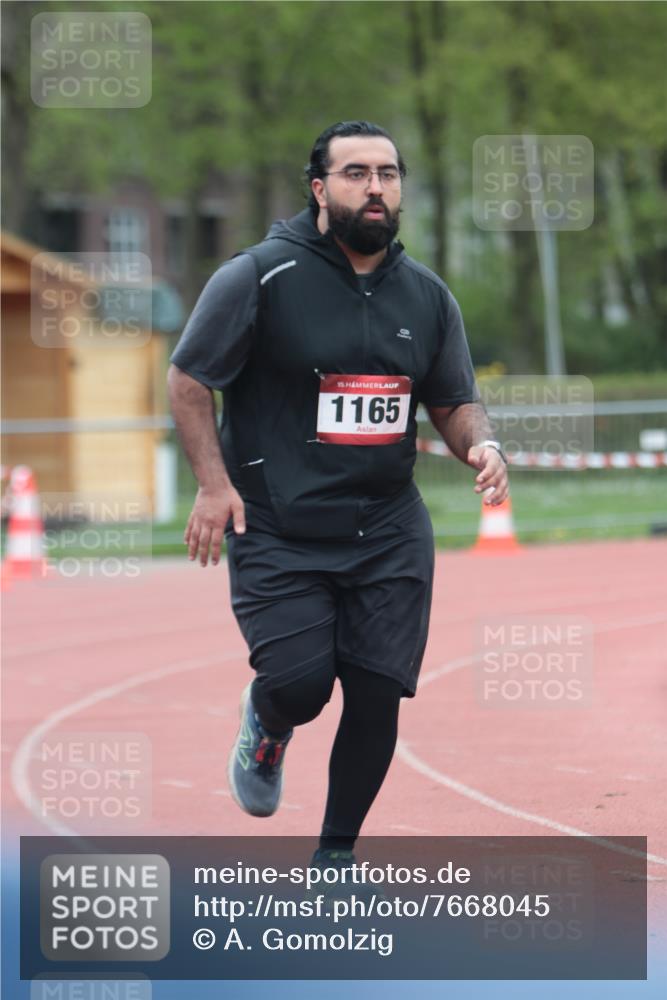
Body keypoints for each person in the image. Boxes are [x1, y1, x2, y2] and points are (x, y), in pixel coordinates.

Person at [167, 120, 509, 873]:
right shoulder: (256, 277)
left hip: (386, 528)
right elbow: (190, 380)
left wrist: (479, 443)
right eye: (356, 173)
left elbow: (452, 398)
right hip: (277, 522)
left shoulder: (426, 296)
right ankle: (266, 718)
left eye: (387, 174)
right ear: (320, 189)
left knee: (377, 690)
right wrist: (212, 486)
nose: (375, 187)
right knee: (301, 683)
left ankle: (335, 856)